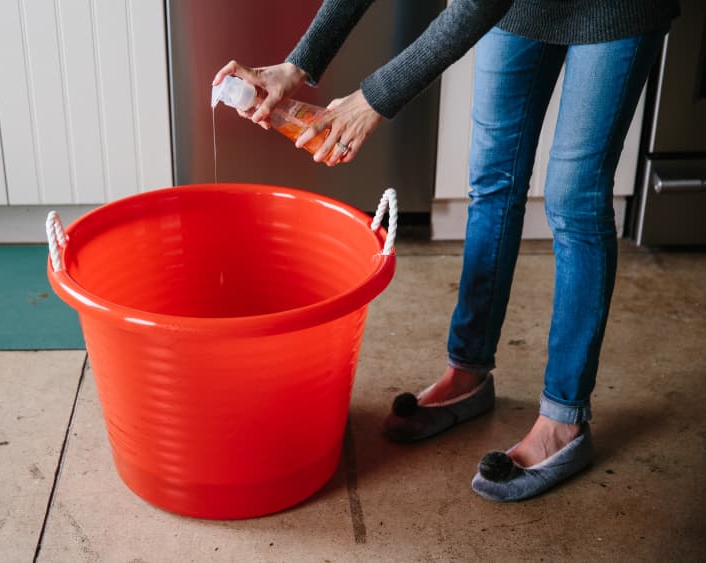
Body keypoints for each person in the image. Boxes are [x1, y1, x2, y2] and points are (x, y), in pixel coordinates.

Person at [213, 0, 680, 501]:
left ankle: (563, 420)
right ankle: (469, 373)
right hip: (521, 11)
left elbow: (475, 5)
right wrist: (297, 63)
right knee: (493, 181)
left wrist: (374, 98)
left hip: (613, 11)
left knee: (574, 201)